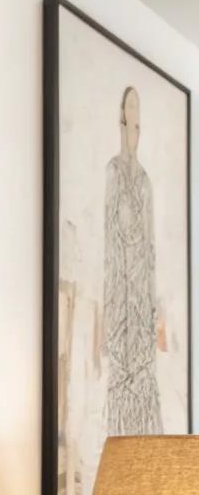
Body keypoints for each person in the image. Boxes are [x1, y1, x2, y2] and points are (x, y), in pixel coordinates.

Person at [103, 86, 163, 434]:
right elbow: (111, 243)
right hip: (121, 293)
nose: (135, 115)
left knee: (142, 376)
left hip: (140, 295)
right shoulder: (113, 172)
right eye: (131, 108)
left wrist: (151, 309)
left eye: (139, 109)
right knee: (123, 377)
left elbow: (150, 251)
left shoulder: (145, 182)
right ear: (122, 118)